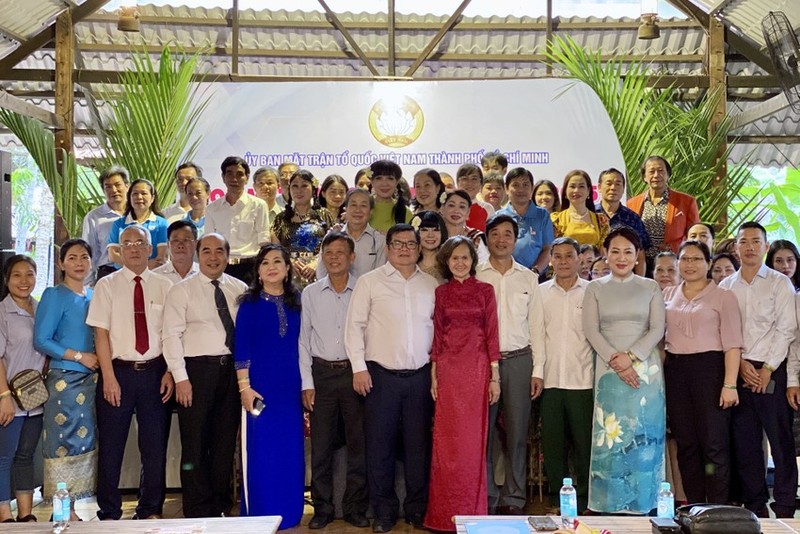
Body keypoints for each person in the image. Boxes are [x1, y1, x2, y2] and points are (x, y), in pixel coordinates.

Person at [344, 224, 438, 533]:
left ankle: (416, 509)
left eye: (411, 244)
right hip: (379, 377)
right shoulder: (370, 283)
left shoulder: (431, 284)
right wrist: (359, 367)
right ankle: (383, 511)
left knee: (418, 447)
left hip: (421, 378)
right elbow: (354, 326)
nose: (405, 249)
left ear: (418, 248)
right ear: (388, 248)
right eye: (398, 244)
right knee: (380, 447)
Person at [87, 225, 174, 521]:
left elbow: (172, 334)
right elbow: (101, 334)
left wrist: (171, 372)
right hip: (118, 373)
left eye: (140, 243)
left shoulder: (165, 286)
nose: (134, 248)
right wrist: (108, 378)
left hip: (156, 372)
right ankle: (109, 511)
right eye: (128, 243)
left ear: (150, 249)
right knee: (112, 446)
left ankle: (150, 508)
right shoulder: (106, 285)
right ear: (120, 250)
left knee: (154, 446)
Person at [162, 233, 248, 518]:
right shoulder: (181, 290)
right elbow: (170, 336)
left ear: (227, 255)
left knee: (224, 442)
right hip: (195, 372)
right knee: (196, 442)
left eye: (219, 251)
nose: (213, 257)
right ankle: (197, 508)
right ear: (198, 254)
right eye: (207, 251)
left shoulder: (240, 289)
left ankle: (220, 504)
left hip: (231, 372)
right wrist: (180, 377)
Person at [582, 226, 666, 514]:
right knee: (611, 435)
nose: (621, 257)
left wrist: (632, 357)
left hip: (646, 371)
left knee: (644, 431)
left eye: (628, 252)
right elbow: (591, 329)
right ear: (605, 254)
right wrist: (615, 360)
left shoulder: (650, 286)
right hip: (608, 368)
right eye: (615, 251)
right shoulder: (595, 288)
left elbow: (657, 328)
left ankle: (644, 503)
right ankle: (609, 502)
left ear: (637, 255)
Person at [720, 222, 797, 518]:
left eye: (756, 242)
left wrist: (767, 368)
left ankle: (786, 503)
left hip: (771, 369)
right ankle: (754, 505)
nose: (750, 247)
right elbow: (724, 331)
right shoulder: (726, 287)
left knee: (780, 440)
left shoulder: (779, 283)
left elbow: (786, 329)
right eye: (744, 242)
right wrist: (739, 364)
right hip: (738, 370)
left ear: (766, 247)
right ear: (736, 247)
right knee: (746, 442)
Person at [424, 236, 501, 531]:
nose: (460, 263)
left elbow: (492, 334)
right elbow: (438, 335)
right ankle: (443, 515)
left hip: (477, 370)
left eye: (465, 258)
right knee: (446, 445)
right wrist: (434, 374)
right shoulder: (441, 293)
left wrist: (495, 377)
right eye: (454, 258)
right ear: (446, 261)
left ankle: (472, 512)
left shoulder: (485, 291)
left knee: (472, 445)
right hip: (448, 372)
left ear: (473, 260)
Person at [663, 240, 742, 504]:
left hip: (710, 372)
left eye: (697, 259)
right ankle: (695, 506)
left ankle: (717, 507)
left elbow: (732, 344)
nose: (690, 265)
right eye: (684, 259)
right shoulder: (667, 294)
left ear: (708, 264)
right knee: (686, 444)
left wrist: (729, 385)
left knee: (714, 444)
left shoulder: (723, 296)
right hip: (676, 372)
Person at [476, 213, 545, 515]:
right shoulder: (475, 275)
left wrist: (538, 370)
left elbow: (537, 327)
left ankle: (514, 497)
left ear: (516, 241)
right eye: (495, 234)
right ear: (486, 238)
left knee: (517, 433)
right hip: (481, 364)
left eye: (508, 234)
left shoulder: (529, 278)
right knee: (485, 432)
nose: (501, 239)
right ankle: (488, 496)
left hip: (519, 361)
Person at [301, 233, 369, 530]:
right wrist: (307, 383)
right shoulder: (311, 293)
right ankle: (323, 508)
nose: (334, 257)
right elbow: (304, 341)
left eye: (341, 252)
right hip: (322, 376)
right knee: (322, 445)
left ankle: (355, 507)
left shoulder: (364, 290)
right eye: (328, 252)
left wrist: (362, 369)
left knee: (358, 445)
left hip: (355, 374)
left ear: (352, 257)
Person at [234, 244, 304, 528]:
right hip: (259, 391)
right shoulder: (249, 304)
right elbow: (242, 348)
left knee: (289, 451)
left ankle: (289, 510)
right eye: (265, 262)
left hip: (290, 390)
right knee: (261, 452)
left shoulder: (297, 302)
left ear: (288, 269)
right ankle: (261, 512)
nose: (272, 266)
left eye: (278, 261)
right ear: (258, 271)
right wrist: (244, 388)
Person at [34, 239, 99, 521]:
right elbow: (41, 340)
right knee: (62, 443)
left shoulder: (94, 294)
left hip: (90, 382)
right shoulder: (54, 295)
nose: (79, 263)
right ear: (61, 264)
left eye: (84, 257)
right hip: (64, 380)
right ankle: (62, 512)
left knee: (84, 444)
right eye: (72, 258)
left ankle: (74, 509)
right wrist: (78, 356)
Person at [539, 237, 594, 513]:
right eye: (557, 256)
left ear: (579, 259)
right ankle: (557, 500)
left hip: (583, 380)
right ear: (550, 260)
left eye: (568, 256)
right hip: (549, 381)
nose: (562, 261)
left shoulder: (592, 292)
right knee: (553, 445)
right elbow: (536, 336)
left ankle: (584, 500)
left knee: (584, 445)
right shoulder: (540, 293)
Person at [0, 255, 43, 523]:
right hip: (9, 400)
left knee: (26, 456)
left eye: (29, 274)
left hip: (36, 399)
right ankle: (4, 513)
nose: (24, 281)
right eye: (17, 275)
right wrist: (3, 396)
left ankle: (26, 514)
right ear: (7, 280)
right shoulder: (2, 312)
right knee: (4, 456)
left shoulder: (41, 309)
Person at [205, 156, 270, 284]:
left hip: (250, 268)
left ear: (246, 178)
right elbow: (209, 242)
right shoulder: (212, 208)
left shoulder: (258, 205)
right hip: (222, 267)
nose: (234, 179)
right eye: (229, 173)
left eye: (239, 174)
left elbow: (264, 242)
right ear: (223, 177)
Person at [626, 156, 700, 258]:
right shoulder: (631, 204)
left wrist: (674, 248)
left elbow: (695, 235)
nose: (656, 175)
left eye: (660, 170)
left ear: (668, 174)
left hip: (672, 261)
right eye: (651, 172)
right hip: (640, 262)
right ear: (644, 177)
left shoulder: (687, 202)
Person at [271, 170, 334, 287]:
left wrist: (316, 263)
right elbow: (276, 249)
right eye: (295, 186)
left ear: (313, 189)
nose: (299, 190)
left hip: (319, 272)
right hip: (289, 274)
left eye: (304, 185)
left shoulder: (324, 215)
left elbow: (333, 244)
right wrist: (288, 262)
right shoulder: (281, 219)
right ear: (289, 190)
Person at [317, 189, 386, 280]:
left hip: (369, 293)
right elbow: (321, 272)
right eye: (353, 205)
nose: (358, 210)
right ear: (346, 208)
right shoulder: (332, 236)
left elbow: (380, 276)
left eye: (363, 205)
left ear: (371, 212)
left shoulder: (379, 240)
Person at [498, 168, 555, 275]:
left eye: (525, 185)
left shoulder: (542, 215)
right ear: (506, 188)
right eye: (516, 185)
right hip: (505, 276)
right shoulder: (499, 217)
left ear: (532, 188)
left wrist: (535, 271)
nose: (521, 190)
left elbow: (548, 249)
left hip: (537, 276)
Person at [595, 168, 650, 275]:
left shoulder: (633, 218)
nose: (613, 188)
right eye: (609, 183)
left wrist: (638, 283)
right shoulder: (589, 214)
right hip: (593, 278)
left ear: (623, 188)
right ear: (599, 187)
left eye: (618, 184)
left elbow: (641, 257)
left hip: (624, 279)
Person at [107, 178, 169, 270]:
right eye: (135, 194)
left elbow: (162, 257)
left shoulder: (161, 223)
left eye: (143, 193)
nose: (139, 197)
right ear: (129, 198)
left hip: (152, 275)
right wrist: (136, 267)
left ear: (152, 198)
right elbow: (113, 255)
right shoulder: (118, 224)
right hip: (123, 275)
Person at [82, 166, 128, 283]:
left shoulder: (138, 213)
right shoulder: (93, 217)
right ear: (103, 190)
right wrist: (89, 287)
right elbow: (89, 253)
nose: (113, 190)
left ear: (127, 186)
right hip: (107, 274)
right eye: (108, 187)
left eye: (117, 185)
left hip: (137, 273)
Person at [551, 170, 609, 251]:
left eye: (581, 186)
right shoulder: (556, 220)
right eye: (572, 186)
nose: (576, 190)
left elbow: (604, 252)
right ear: (565, 191)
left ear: (588, 191)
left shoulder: (601, 221)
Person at [440, 190, 489, 264]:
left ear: (468, 212)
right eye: (451, 205)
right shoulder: (435, 235)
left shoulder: (474, 236)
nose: (456, 211)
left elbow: (483, 265)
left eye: (462, 207)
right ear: (442, 209)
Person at [368, 160, 413, 233]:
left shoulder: (405, 212)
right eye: (379, 178)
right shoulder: (364, 207)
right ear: (372, 181)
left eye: (390, 178)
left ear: (397, 182)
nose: (384, 183)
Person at [457, 164, 494, 231]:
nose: (469, 183)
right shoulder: (448, 207)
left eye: (474, 179)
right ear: (457, 183)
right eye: (465, 179)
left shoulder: (487, 208)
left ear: (481, 184)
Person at [414, 210, 448, 283]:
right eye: (424, 230)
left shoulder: (449, 263)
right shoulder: (408, 263)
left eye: (436, 230)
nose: (430, 235)